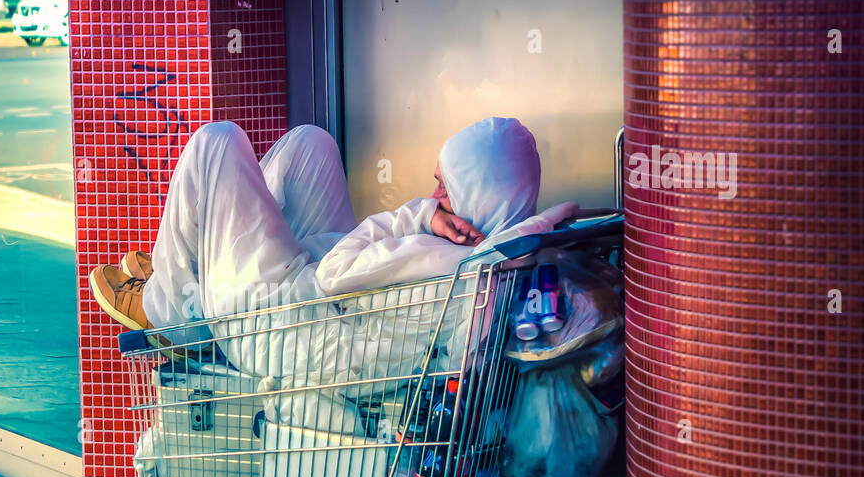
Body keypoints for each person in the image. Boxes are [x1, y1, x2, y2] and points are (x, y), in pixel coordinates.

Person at [91, 116, 575, 336]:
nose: (434, 198)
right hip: (309, 298)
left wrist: (415, 217)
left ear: (480, 190)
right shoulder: (499, 245)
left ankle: (167, 309)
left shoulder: (448, 256)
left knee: (216, 142)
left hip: (275, 322)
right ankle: (182, 274)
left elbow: (333, 273)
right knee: (310, 143)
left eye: (444, 187)